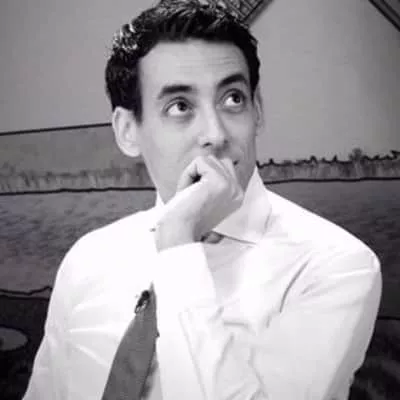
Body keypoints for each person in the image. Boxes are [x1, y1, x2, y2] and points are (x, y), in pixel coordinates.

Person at [23, 1, 382, 399]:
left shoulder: (335, 266)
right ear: (127, 131)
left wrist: (179, 244)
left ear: (257, 111)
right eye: (180, 106)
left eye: (233, 99)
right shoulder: (87, 258)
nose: (216, 134)